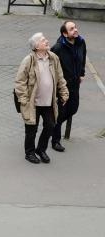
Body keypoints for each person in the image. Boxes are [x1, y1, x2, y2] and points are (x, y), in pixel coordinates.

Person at [14, 33, 68, 165]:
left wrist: (64, 92)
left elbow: (60, 77)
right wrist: (24, 99)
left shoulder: (53, 58)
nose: (47, 41)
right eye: (43, 40)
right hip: (32, 102)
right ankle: (30, 153)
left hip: (48, 101)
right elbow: (19, 82)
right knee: (31, 129)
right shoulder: (29, 60)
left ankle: (41, 149)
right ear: (36, 46)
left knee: (50, 125)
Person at [51, 21, 86, 152]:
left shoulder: (81, 42)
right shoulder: (58, 47)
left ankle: (52, 125)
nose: (75, 30)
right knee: (61, 113)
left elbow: (83, 58)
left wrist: (82, 73)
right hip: (63, 86)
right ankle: (55, 141)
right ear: (65, 34)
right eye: (72, 29)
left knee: (73, 109)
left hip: (75, 84)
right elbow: (51, 65)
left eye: (75, 27)